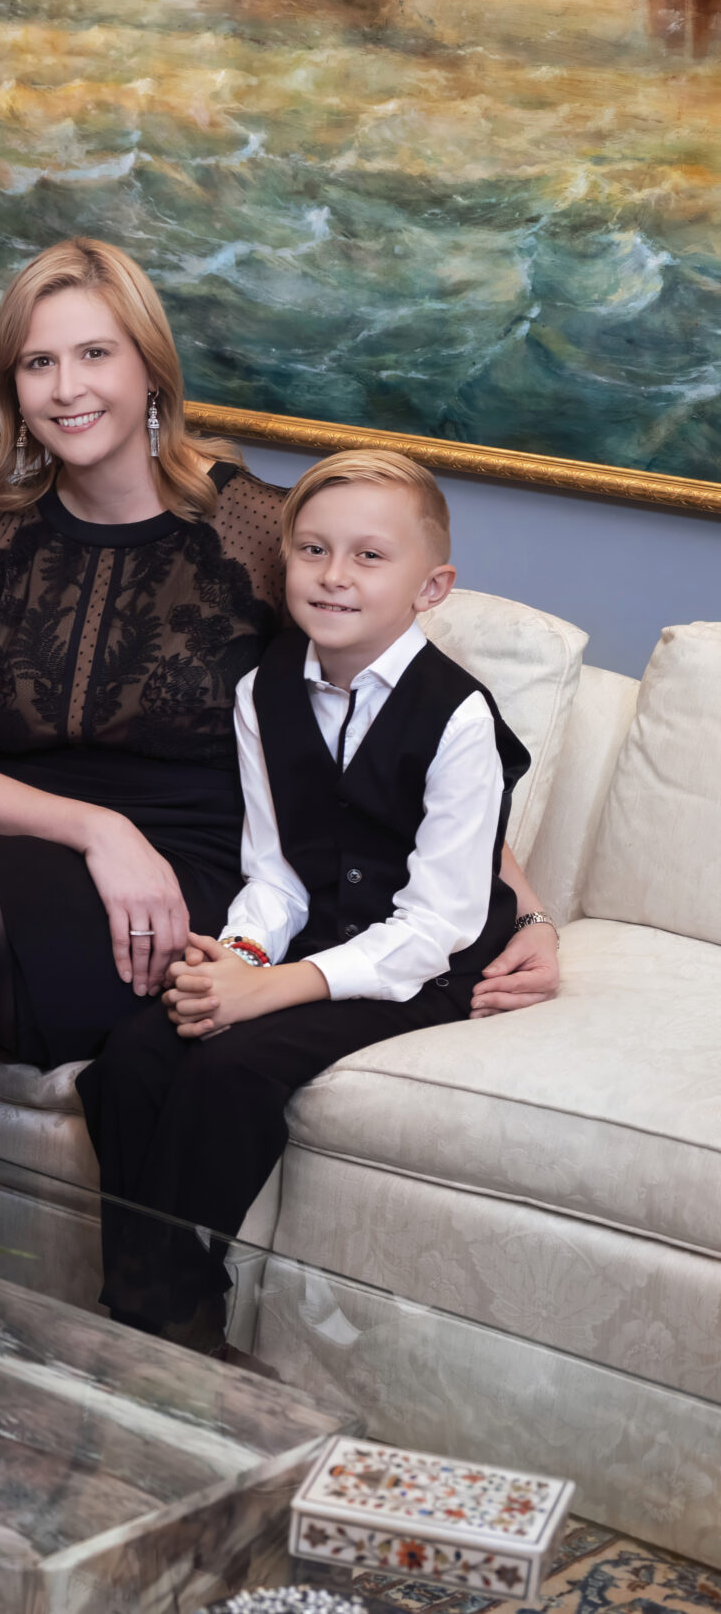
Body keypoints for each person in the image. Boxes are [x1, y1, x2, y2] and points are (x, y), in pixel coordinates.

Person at [0, 237, 559, 1124]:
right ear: (13, 389)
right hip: (39, 835)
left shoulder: (260, 532)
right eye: (39, 363)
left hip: (185, 872)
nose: (67, 388)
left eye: (94, 355)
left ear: (151, 370)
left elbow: (406, 721)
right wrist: (98, 833)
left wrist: (529, 914)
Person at [80, 452, 547, 1350]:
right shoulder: (264, 691)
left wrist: (271, 992)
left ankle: (149, 1327)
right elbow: (279, 875)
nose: (335, 576)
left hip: (427, 965)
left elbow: (437, 925)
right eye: (314, 550)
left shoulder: (460, 718)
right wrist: (241, 960)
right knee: (135, 1054)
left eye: (370, 557)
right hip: (318, 941)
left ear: (432, 586)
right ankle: (172, 1314)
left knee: (231, 1070)